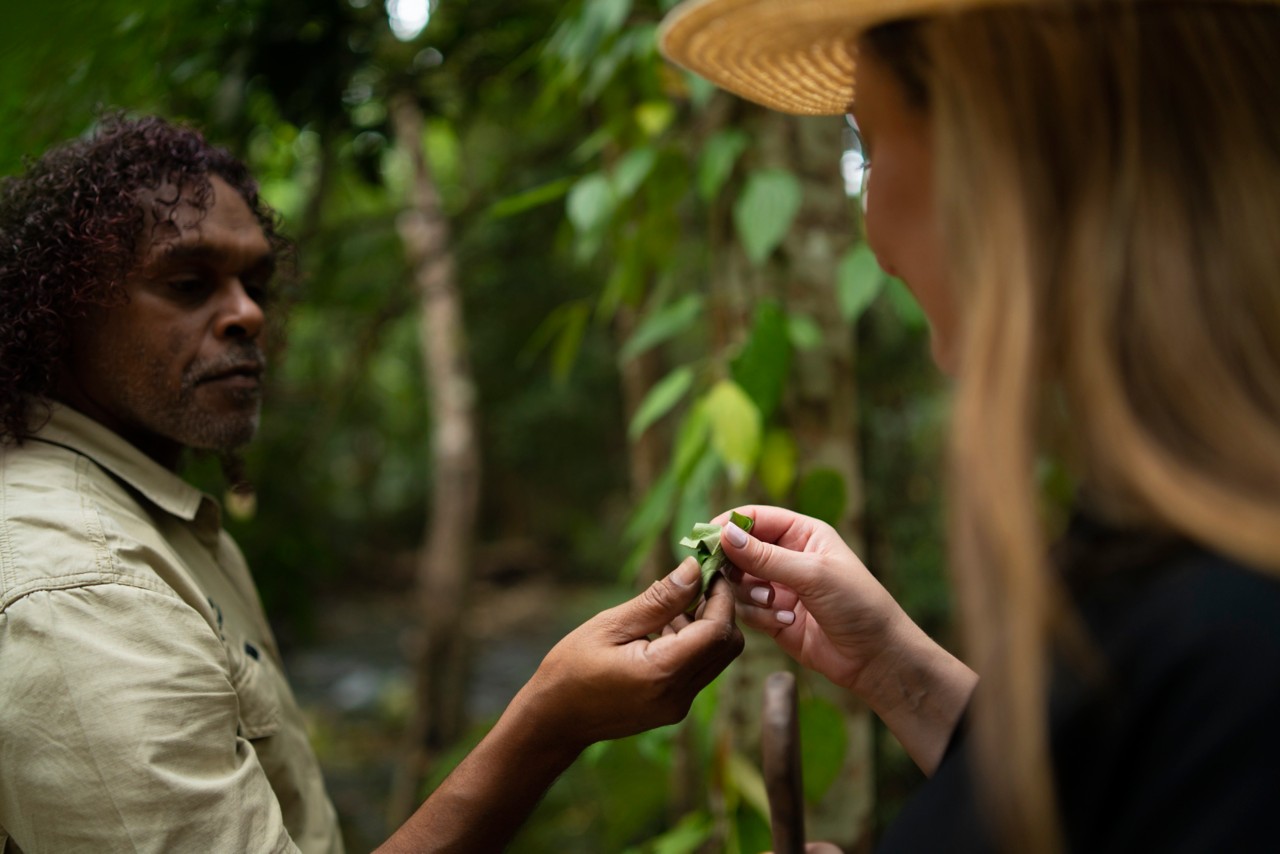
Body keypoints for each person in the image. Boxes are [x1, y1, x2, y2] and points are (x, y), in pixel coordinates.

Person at [0, 113, 744, 853]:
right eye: (189, 283)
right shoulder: (82, 587)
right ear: (62, 310)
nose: (248, 314)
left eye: (256, 284)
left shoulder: (160, 521)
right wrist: (550, 724)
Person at [659, 0, 1280, 851]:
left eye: (871, 145)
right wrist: (897, 674)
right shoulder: (1167, 553)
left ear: (1008, 153)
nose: (872, 234)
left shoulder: (1234, 633)